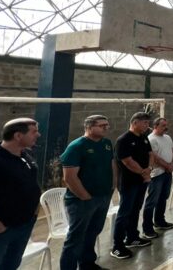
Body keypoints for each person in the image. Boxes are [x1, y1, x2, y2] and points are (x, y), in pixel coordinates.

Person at [59, 115, 116, 269]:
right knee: (76, 238)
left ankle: (87, 264)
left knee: (93, 232)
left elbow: (111, 165)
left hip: (103, 196)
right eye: (102, 125)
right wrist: (85, 197)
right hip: (82, 201)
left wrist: (113, 185)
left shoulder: (107, 143)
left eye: (107, 125)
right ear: (89, 127)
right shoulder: (77, 146)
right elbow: (69, 177)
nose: (106, 128)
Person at [0, 118, 41, 270]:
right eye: (34, 132)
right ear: (18, 136)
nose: (38, 135)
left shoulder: (25, 155)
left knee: (11, 264)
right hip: (3, 228)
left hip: (25, 223)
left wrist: (35, 211)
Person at [112, 112, 154, 259]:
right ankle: (117, 245)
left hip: (141, 181)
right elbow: (127, 161)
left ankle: (132, 237)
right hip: (129, 183)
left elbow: (150, 154)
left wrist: (149, 169)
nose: (147, 126)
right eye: (145, 123)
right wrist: (144, 172)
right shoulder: (123, 140)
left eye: (148, 123)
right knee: (124, 213)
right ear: (135, 122)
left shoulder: (143, 138)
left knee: (136, 210)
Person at [142, 118, 173, 240]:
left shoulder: (167, 138)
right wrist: (167, 166)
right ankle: (147, 228)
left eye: (166, 125)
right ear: (155, 126)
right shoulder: (151, 139)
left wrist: (172, 164)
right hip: (157, 175)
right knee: (152, 201)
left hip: (168, 173)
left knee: (163, 197)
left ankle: (160, 221)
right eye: (163, 125)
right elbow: (154, 157)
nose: (166, 128)